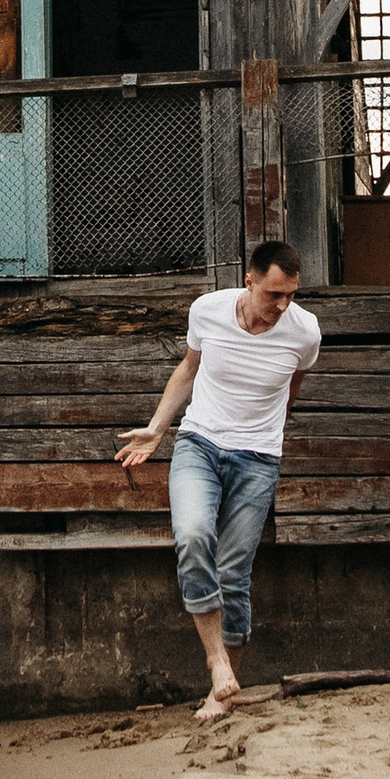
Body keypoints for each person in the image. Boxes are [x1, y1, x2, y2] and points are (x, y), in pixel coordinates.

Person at [115, 240, 320, 718]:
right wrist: (157, 428)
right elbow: (189, 369)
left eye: (291, 294)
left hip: (258, 460)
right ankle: (215, 660)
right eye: (274, 294)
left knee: (233, 574)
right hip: (199, 444)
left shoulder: (305, 331)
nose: (283, 305)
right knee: (191, 535)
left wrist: (264, 433)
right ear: (249, 281)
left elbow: (291, 388)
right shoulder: (207, 311)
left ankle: (222, 692)